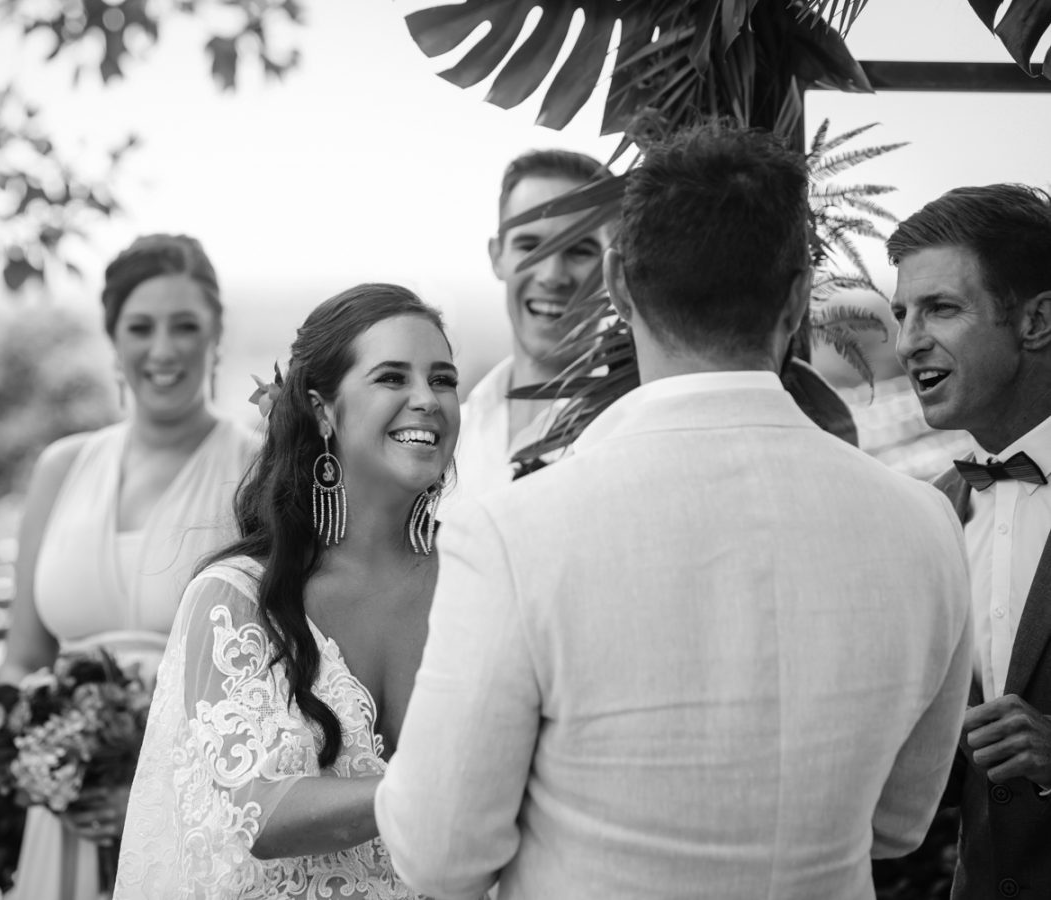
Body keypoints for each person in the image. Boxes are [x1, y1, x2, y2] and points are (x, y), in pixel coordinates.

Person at [376, 123, 973, 899]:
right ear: (798, 296)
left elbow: (439, 854)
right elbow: (898, 824)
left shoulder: (513, 533)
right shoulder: (926, 525)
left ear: (618, 283)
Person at [113, 283, 461, 899]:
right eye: (391, 378)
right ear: (322, 411)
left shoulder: (480, 579)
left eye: (443, 379)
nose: (427, 400)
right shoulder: (236, 598)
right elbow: (263, 811)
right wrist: (456, 785)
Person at [0, 234, 259, 900]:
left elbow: (274, 679)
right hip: (67, 817)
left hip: (197, 814)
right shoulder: (61, 469)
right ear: (113, 340)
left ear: (216, 336)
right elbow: (22, 659)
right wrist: (51, 768)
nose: (163, 349)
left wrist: (154, 792)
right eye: (141, 327)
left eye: (185, 326)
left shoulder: (257, 471)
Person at [888, 184, 1051, 900]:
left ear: (1036, 321)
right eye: (902, 314)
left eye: (941, 309)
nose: (907, 342)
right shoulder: (933, 513)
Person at [449, 149, 612, 507]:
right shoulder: (453, 433)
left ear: (614, 265)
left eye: (580, 250)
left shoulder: (626, 431)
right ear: (497, 257)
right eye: (530, 246)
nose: (552, 276)